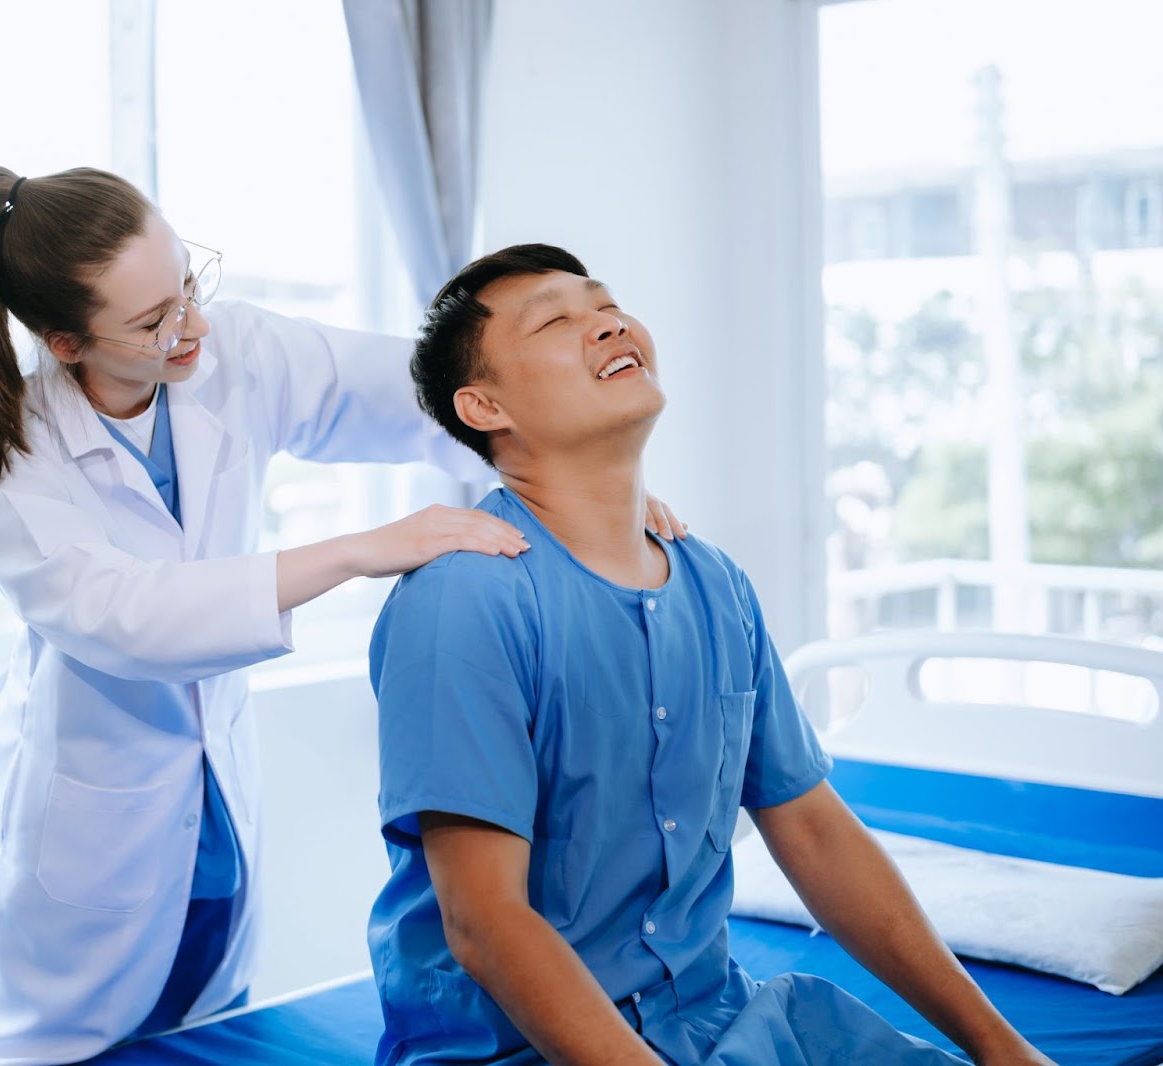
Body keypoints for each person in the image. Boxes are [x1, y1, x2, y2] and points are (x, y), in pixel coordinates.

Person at [0, 169, 683, 1066]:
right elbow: (120, 616)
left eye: (190, 285)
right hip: (92, 832)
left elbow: (428, 392)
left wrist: (576, 474)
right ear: (65, 343)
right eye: (154, 322)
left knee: (210, 1023)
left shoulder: (235, 353)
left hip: (213, 809)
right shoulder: (0, 452)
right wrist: (364, 548)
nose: (194, 327)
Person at [365, 244, 1054, 1066]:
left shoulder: (714, 583)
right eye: (555, 321)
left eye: (606, 305)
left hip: (722, 1021)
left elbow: (813, 831)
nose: (608, 324)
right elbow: (485, 921)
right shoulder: (465, 600)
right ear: (483, 407)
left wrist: (1004, 1051)